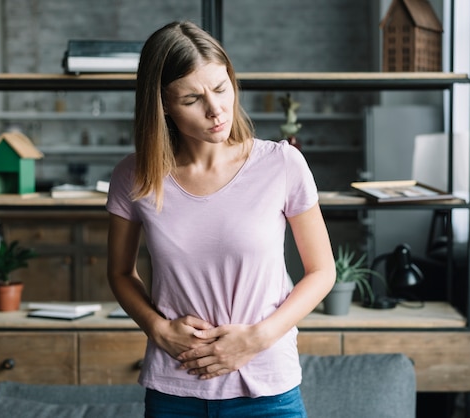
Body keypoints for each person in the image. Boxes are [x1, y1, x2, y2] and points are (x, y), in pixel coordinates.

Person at [106, 20, 336, 418]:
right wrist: (157, 329)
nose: (216, 110)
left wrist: (256, 338)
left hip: (267, 391)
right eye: (192, 99)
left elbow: (322, 272)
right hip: (174, 390)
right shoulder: (134, 176)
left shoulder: (282, 164)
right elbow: (121, 273)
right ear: (162, 105)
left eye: (221, 87)